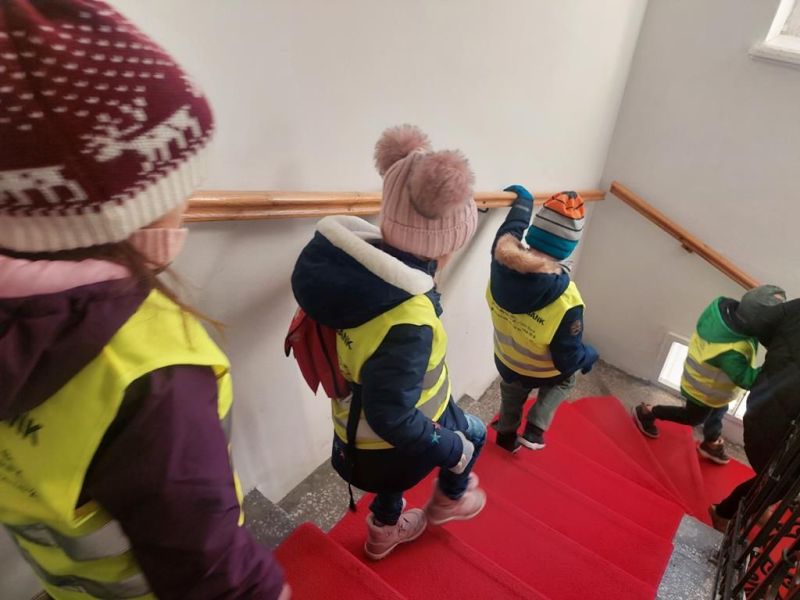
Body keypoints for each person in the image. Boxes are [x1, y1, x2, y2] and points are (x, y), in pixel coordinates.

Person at [0, 2, 287, 598]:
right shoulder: (152, 371)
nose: (189, 201)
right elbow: (212, 570)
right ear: (117, 211)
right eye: (178, 186)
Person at [291, 124, 487, 561]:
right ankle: (449, 500)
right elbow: (391, 416)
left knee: (396, 470)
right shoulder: (408, 320)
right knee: (474, 435)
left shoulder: (357, 276)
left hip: (354, 435)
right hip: (386, 446)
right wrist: (452, 449)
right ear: (442, 247)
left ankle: (383, 530)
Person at [487, 186, 598, 452]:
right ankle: (535, 429)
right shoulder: (567, 300)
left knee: (512, 391)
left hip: (506, 360)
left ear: (533, 234)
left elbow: (508, 232)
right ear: (568, 249)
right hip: (540, 370)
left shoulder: (500, 262)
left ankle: (506, 436)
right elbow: (567, 358)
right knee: (567, 378)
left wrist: (523, 202)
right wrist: (590, 355)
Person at [633, 291, 767, 465]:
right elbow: (747, 380)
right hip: (703, 390)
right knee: (694, 417)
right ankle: (647, 412)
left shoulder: (724, 315)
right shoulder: (731, 351)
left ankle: (711, 442)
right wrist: (774, 366)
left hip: (716, 389)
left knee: (719, 410)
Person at [708, 287, 796, 531]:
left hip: (767, 405)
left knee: (779, 476)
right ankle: (725, 511)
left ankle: (751, 507)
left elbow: (761, 318)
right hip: (778, 419)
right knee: (782, 478)